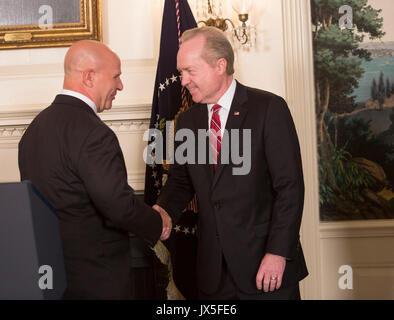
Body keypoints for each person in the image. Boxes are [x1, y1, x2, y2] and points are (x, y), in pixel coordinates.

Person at [154, 27, 308, 300]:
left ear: (220, 65)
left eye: (190, 71)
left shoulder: (268, 108)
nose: (183, 80)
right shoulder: (188, 121)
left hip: (266, 269)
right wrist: (163, 210)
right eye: (181, 72)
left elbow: (290, 188)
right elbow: (181, 181)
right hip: (213, 275)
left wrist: (278, 252)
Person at [18, 40, 172, 300]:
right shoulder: (94, 134)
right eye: (116, 76)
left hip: (50, 277)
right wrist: (158, 223)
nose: (120, 86)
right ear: (89, 77)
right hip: (98, 279)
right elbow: (118, 206)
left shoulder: (34, 130)